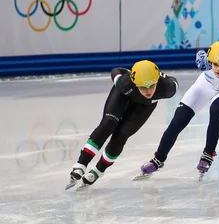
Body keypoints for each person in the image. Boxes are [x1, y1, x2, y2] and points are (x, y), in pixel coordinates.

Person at [137, 41, 219, 180]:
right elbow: (199, 51)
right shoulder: (204, 62)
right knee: (179, 119)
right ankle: (158, 159)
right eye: (215, 64)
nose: (218, 69)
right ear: (210, 61)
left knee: (216, 110)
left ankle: (208, 153)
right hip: (205, 85)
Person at [66, 60, 179, 190]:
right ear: (135, 83)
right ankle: (81, 163)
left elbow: (173, 82)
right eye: (143, 87)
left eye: (151, 86)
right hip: (123, 96)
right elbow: (116, 71)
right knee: (108, 123)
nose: (148, 91)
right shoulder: (125, 83)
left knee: (121, 136)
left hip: (144, 106)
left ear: (157, 82)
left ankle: (98, 171)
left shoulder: (168, 88)